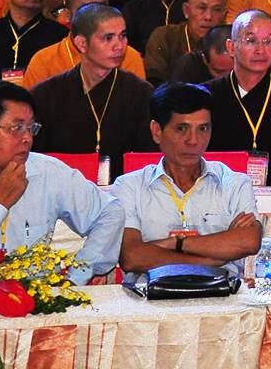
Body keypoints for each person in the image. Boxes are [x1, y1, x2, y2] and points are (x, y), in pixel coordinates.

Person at [0, 80, 123, 281]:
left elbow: (110, 212)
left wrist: (77, 277)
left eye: (31, 128)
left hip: (40, 298)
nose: (28, 138)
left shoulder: (47, 172)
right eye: (17, 128)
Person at [112, 82, 262, 273]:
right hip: (151, 291)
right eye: (181, 129)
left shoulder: (234, 183)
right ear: (157, 131)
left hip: (221, 290)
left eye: (203, 129)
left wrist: (177, 243)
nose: (193, 140)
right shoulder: (130, 186)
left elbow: (248, 241)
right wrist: (214, 257)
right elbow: (132, 257)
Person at [30, 1, 155, 180]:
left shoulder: (141, 93)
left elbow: (146, 159)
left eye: (122, 36)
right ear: (81, 43)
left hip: (123, 189)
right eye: (108, 38)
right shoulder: (45, 95)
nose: (119, 46)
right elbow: (37, 160)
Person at [206, 10, 271, 186]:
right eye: (251, 41)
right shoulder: (207, 95)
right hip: (220, 193)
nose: (260, 50)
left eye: (268, 42)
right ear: (231, 47)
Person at [141, 0, 225, 84]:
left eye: (216, 10)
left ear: (224, 14)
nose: (208, 17)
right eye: (202, 8)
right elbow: (155, 82)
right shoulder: (165, 37)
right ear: (186, 10)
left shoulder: (230, 43)